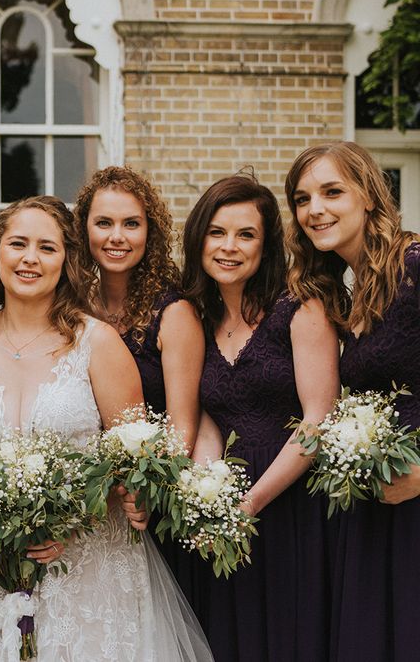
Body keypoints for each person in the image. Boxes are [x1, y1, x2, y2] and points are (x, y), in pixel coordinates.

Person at [0, 196, 212, 661]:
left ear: (66, 261)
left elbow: (134, 457)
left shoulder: (98, 343)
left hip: (88, 564)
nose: (30, 258)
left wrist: (72, 523)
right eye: (18, 244)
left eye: (46, 248)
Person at [182, 173, 339, 662]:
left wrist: (249, 503)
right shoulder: (199, 317)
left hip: (292, 501)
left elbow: (319, 419)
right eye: (217, 232)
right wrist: (209, 491)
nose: (230, 247)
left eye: (245, 235)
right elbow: (209, 415)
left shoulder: (299, 308)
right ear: (199, 238)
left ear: (265, 244)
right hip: (229, 509)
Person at [285, 141, 420, 662]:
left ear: (369, 195)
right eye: (302, 198)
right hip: (373, 514)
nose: (315, 208)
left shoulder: (414, 266)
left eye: (332, 191)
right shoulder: (348, 288)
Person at [74, 166, 205, 599]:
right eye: (104, 223)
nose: (117, 236)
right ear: (84, 228)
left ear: (150, 232)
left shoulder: (174, 313)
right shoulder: (70, 306)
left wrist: (145, 487)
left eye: (131, 224)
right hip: (78, 505)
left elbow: (182, 425)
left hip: (143, 507)